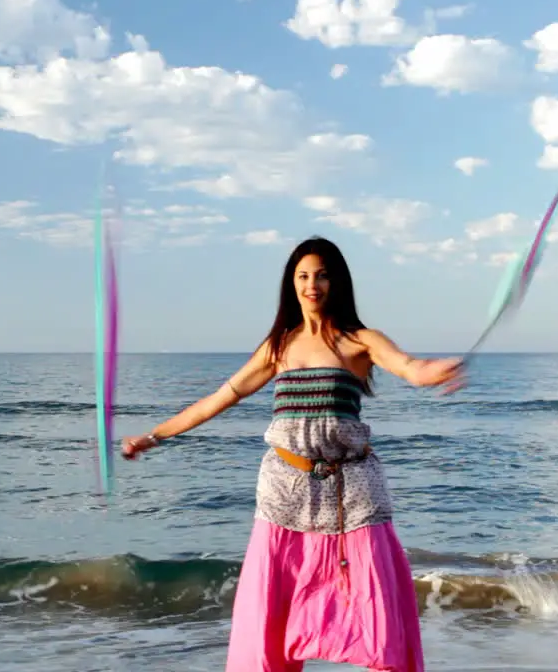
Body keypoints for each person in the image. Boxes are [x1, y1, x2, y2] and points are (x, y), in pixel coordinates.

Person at [121, 235, 464, 672]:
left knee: (375, 614)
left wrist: (436, 371)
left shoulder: (361, 341)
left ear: (336, 282)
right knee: (269, 620)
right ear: (292, 284)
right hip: (284, 488)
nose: (312, 285)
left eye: (322, 275)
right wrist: (155, 435)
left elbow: (410, 367)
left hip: (353, 492)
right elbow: (219, 398)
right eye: (303, 276)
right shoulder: (278, 347)